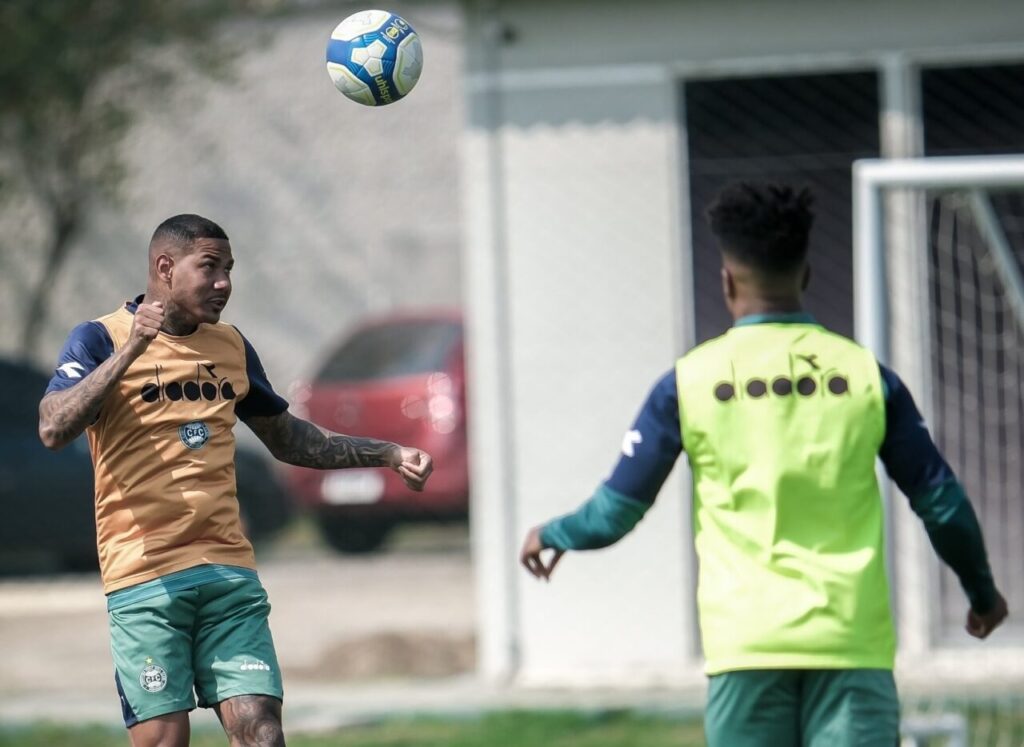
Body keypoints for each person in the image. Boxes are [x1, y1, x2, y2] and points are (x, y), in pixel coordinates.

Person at [520, 182, 1008, 747]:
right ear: (804, 276)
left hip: (745, 646)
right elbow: (940, 504)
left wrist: (553, 533)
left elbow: (614, 514)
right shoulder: (866, 378)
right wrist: (981, 593)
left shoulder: (688, 384)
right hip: (849, 642)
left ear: (727, 281)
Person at [38, 214, 434, 747]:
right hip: (144, 579)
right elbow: (53, 426)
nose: (224, 282)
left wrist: (385, 452)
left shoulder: (230, 346)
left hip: (227, 575)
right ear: (164, 267)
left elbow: (288, 438)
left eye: (229, 269)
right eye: (210, 267)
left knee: (262, 734)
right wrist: (132, 351)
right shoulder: (99, 338)